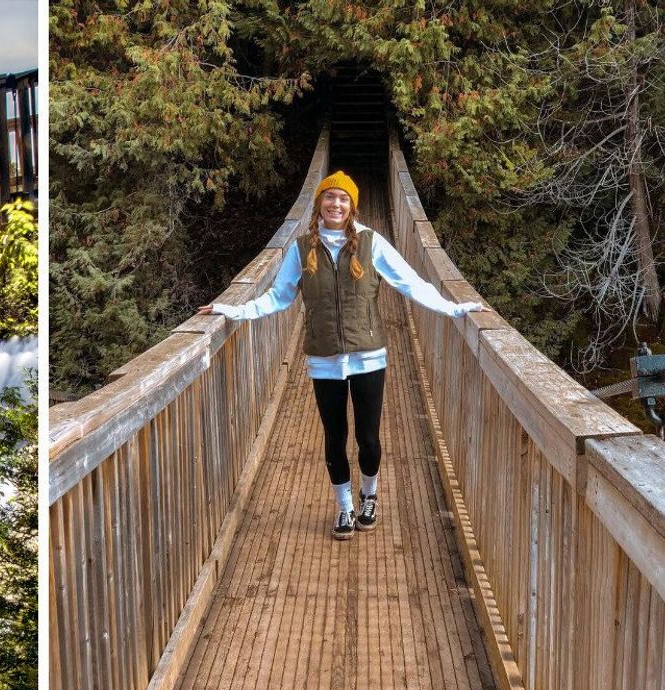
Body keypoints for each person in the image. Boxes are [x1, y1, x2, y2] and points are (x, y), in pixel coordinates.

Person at [198, 171, 485, 540]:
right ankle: (345, 507)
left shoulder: (370, 242)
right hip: (324, 359)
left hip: (368, 356)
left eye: (343, 199)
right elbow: (279, 296)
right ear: (319, 203)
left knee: (368, 437)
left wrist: (453, 309)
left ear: (352, 206)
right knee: (334, 437)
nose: (336, 204)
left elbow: (409, 282)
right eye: (329, 197)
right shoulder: (302, 248)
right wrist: (233, 311)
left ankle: (369, 496)